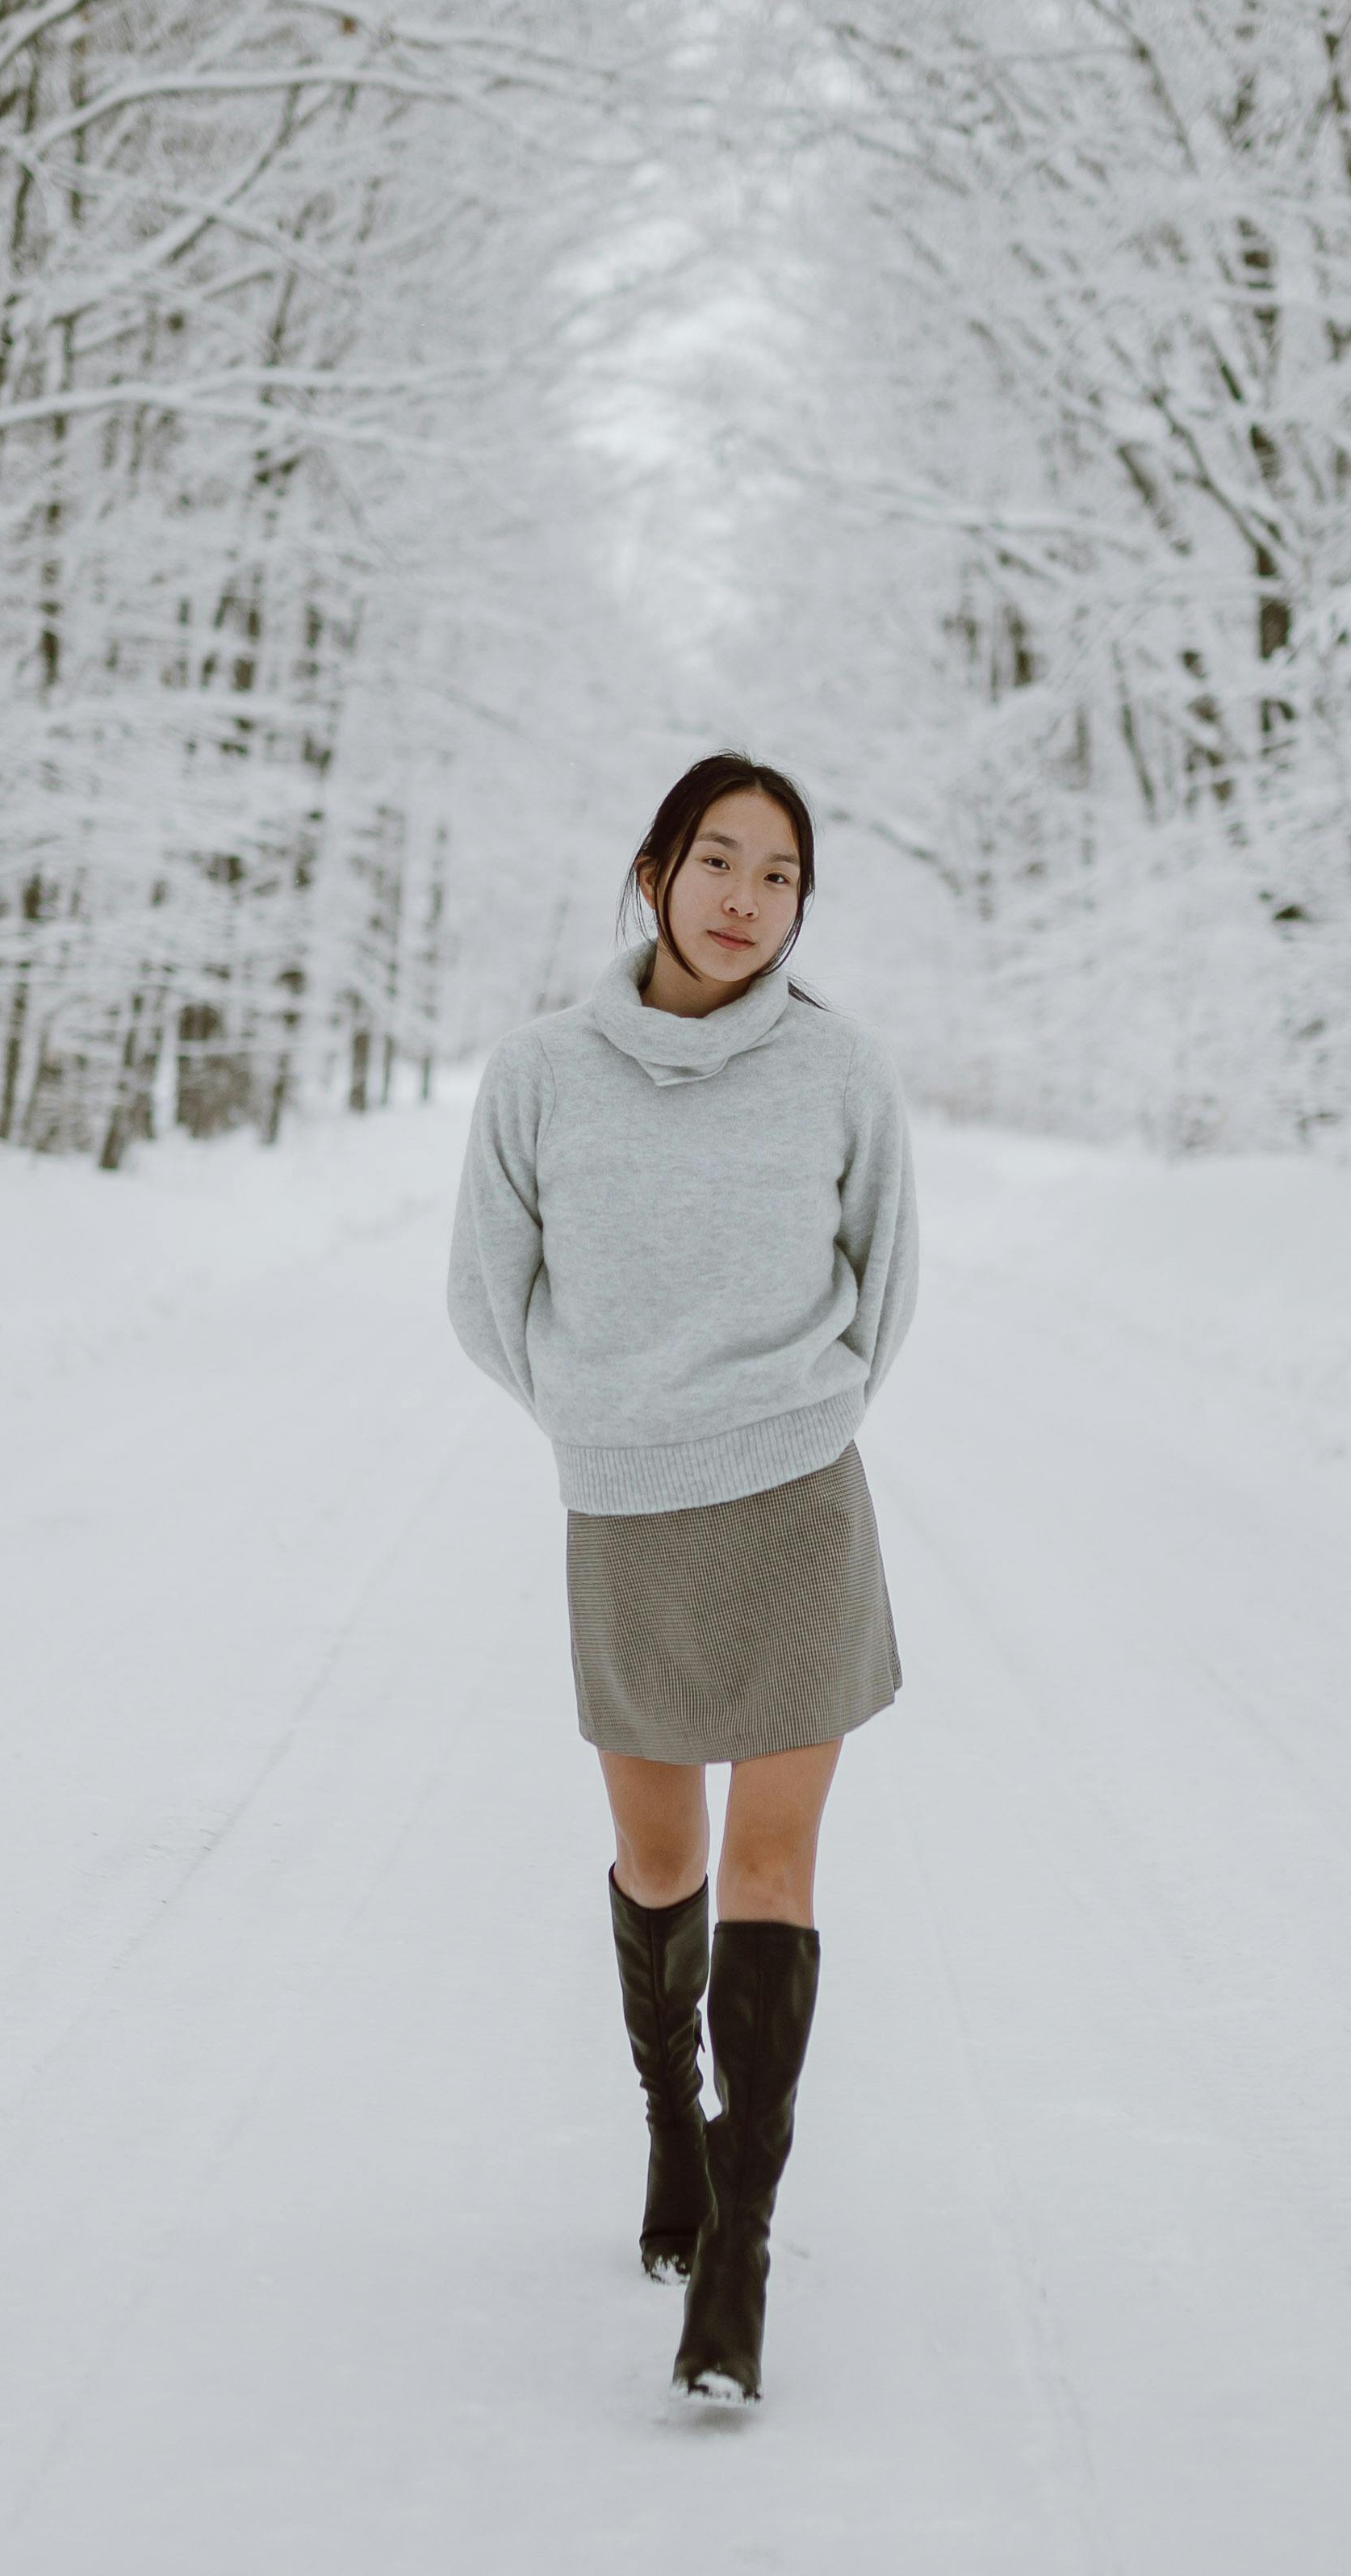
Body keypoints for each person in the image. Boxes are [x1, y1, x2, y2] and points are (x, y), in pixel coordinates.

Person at [446, 752, 919, 2405]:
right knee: (661, 1854)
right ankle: (672, 2118)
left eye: (778, 873)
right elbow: (485, 1293)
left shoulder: (840, 1071)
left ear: (801, 905)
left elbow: (891, 1278)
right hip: (629, 1509)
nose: (742, 895)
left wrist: (801, 1407)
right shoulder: (543, 1073)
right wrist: (602, 1419)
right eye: (716, 857)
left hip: (796, 1496)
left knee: (775, 1862)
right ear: (656, 867)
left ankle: (741, 2245)